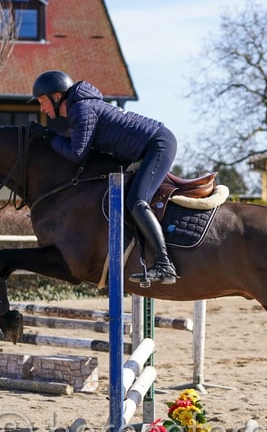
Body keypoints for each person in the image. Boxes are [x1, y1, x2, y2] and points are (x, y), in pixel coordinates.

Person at [30, 70, 178, 285]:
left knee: (136, 201)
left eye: (42, 101)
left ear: (56, 96)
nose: (41, 108)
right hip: (145, 149)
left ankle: (165, 265)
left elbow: (77, 154)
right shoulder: (80, 108)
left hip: (158, 145)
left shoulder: (81, 109)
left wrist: (49, 136)